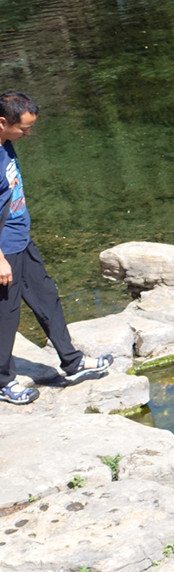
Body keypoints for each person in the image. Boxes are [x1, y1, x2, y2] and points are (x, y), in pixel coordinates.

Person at [0, 91, 112, 405]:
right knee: (6, 316)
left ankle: (72, 361)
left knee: (47, 297)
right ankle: (3, 382)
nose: (28, 133)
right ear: (2, 122)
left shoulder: (5, 144)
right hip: (3, 251)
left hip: (21, 239)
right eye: (23, 128)